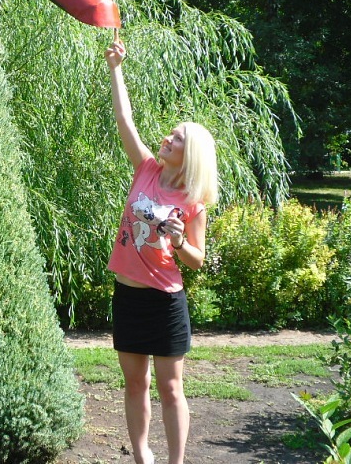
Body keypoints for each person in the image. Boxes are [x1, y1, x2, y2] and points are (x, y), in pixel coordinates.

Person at [104, 38, 218, 464]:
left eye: (177, 138)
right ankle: (141, 456)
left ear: (192, 155)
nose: (167, 138)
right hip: (128, 295)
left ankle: (176, 462)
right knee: (135, 384)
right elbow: (125, 119)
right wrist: (116, 67)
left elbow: (196, 260)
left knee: (171, 388)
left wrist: (180, 240)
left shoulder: (193, 202)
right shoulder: (146, 169)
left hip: (166, 302)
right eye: (171, 133)